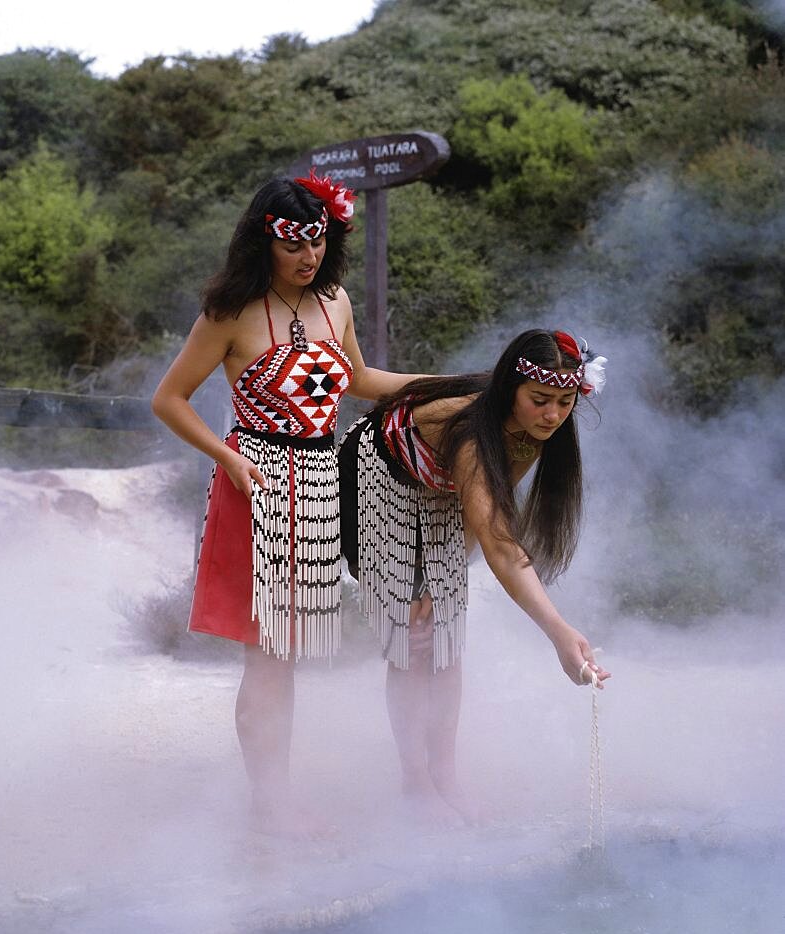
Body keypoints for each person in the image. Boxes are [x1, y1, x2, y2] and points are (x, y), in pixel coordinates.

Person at [151, 170, 421, 835]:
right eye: (294, 242)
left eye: (319, 241)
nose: (308, 257)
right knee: (267, 655)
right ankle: (271, 806)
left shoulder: (335, 303)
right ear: (263, 240)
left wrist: (447, 383)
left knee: (288, 652)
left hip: (318, 479)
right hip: (257, 480)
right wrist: (227, 457)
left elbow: (356, 379)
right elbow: (167, 399)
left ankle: (275, 799)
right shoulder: (229, 312)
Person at [337, 328, 611, 825]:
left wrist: (439, 582)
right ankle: (415, 783)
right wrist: (559, 633)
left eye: (565, 402)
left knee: (445, 636)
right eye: (540, 400)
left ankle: (445, 775)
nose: (552, 414)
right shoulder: (469, 429)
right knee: (411, 640)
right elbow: (502, 546)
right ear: (512, 391)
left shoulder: (533, 434)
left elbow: (483, 521)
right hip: (376, 479)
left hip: (441, 490)